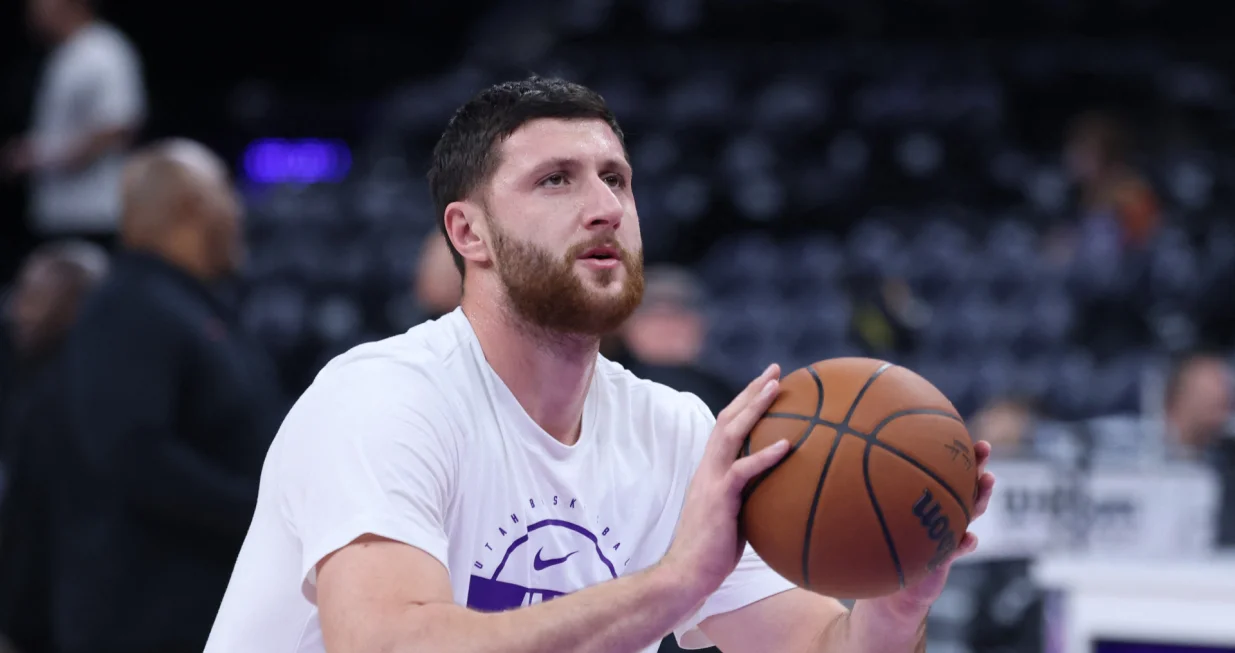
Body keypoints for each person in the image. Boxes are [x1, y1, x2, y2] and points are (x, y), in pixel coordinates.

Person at [204, 77, 995, 653]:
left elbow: (817, 647)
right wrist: (673, 583)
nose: (605, 206)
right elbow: (387, 644)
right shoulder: (382, 397)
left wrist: (894, 608)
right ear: (468, 234)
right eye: (556, 180)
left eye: (616, 179)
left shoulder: (674, 429)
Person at [57, 138, 285, 653]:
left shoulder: (186, 304)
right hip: (144, 617)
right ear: (191, 207)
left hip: (188, 606)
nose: (238, 211)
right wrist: (263, 513)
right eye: (228, 193)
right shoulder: (131, 308)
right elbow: (133, 452)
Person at [0, 239, 107, 653]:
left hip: (64, 610)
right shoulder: (28, 378)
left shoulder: (69, 396)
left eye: (35, 295)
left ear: (75, 305)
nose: (18, 310)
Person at [1, 0, 145, 250]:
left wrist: (40, 156)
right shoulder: (64, 52)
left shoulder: (104, 49)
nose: (31, 12)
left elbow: (117, 126)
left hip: (93, 214)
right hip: (56, 214)